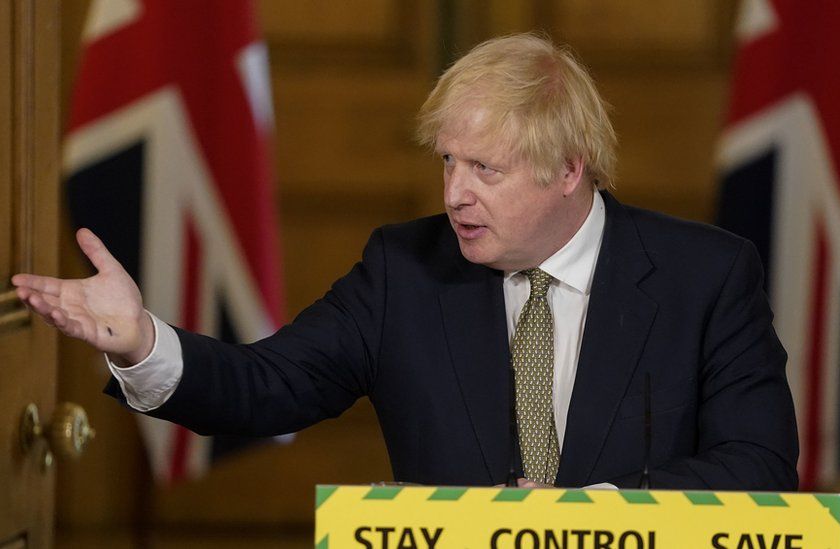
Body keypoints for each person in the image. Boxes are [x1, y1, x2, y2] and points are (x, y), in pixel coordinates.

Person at [13, 33, 798, 490]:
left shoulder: (707, 277)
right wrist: (141, 340)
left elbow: (758, 463)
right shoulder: (403, 269)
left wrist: (591, 519)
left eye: (484, 169)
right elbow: (265, 387)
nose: (454, 193)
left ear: (570, 167)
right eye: (447, 162)